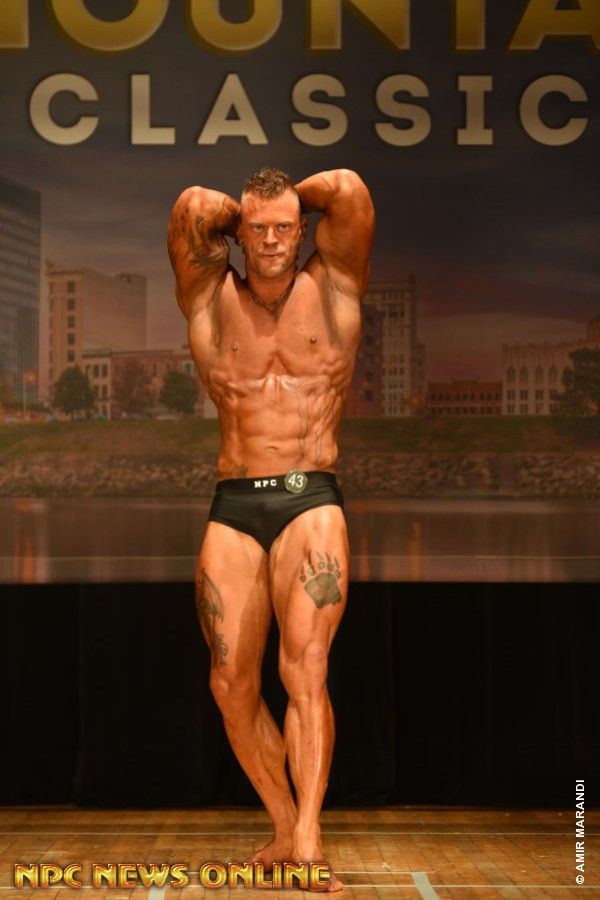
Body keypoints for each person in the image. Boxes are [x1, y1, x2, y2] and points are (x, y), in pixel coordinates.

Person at [167, 167, 374, 892]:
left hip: (308, 497)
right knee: (229, 683)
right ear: (239, 233)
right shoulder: (209, 295)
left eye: (286, 227)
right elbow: (192, 206)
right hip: (234, 501)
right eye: (258, 229)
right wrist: (245, 213)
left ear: (303, 228)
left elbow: (347, 188)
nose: (274, 240)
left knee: (303, 671)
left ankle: (310, 845)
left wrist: (286, 199)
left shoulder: (335, 286)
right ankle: (284, 826)